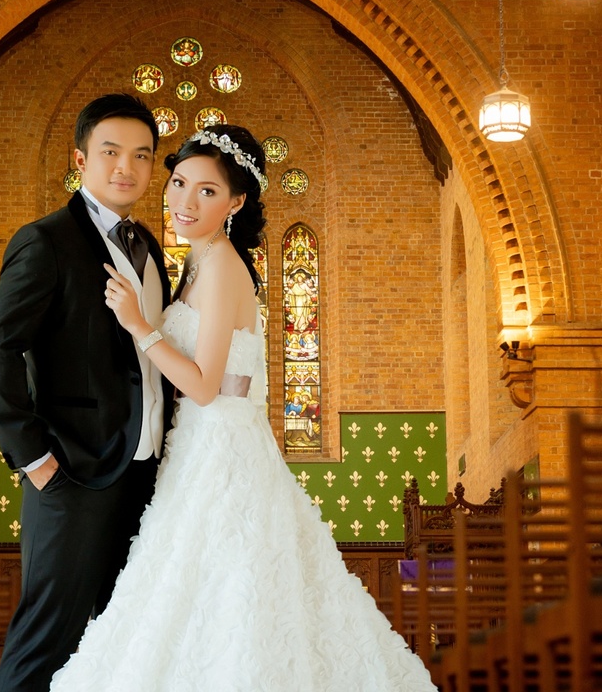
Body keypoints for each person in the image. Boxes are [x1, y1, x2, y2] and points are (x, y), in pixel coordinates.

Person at [50, 125, 434, 690]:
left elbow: (205, 386)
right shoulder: (199, 262)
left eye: (206, 192)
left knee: (229, 598)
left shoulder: (224, 264)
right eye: (179, 183)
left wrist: (137, 326)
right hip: (199, 446)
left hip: (223, 450)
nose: (184, 201)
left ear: (236, 202)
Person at [0, 93, 171, 692]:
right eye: (111, 152)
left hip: (147, 478)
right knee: (46, 642)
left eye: (141, 156)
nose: (126, 168)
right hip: (72, 474)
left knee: (121, 643)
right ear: (80, 159)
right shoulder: (47, 241)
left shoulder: (151, 250)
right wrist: (35, 459)